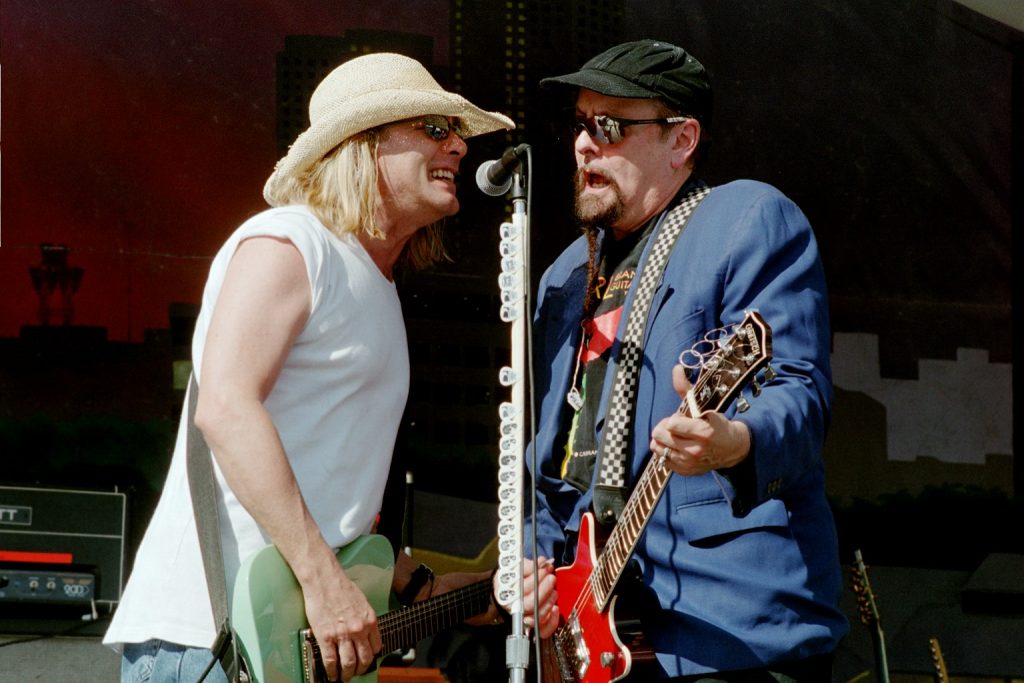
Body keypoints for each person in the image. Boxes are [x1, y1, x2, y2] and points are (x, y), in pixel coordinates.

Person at [103, 52, 513, 683]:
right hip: (212, 641)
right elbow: (225, 406)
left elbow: (331, 499)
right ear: (362, 146)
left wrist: (419, 584)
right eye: (435, 128)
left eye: (456, 132)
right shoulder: (290, 242)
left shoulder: (374, 280)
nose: (458, 146)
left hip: (284, 642)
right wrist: (323, 583)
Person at [521, 39, 849, 680]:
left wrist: (734, 441)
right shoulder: (564, 277)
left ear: (682, 140)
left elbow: (796, 390)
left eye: (610, 126)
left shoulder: (745, 219)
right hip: (594, 632)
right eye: (581, 125)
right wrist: (535, 562)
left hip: (729, 626)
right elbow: (548, 461)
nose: (586, 144)